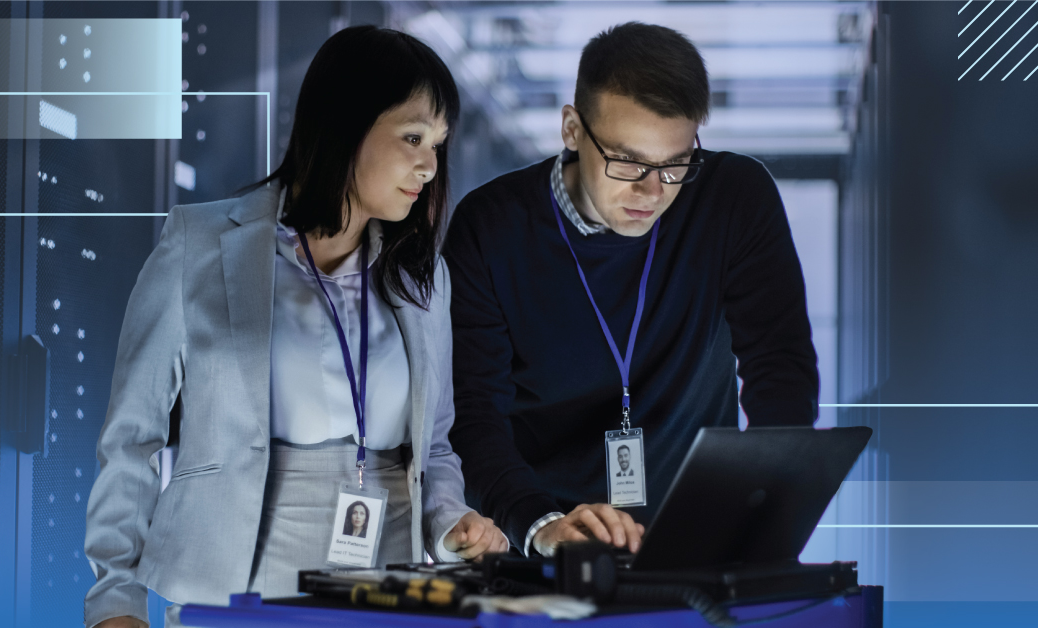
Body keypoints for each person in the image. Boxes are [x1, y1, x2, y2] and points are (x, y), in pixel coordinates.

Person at [85, 25, 507, 628]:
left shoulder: (423, 279)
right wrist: (115, 600)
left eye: (438, 145)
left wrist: (451, 524)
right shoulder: (200, 245)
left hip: (391, 593)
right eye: (413, 137)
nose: (429, 166)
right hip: (235, 588)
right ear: (346, 125)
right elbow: (132, 439)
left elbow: (434, 447)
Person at [443, 22, 818, 559]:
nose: (651, 191)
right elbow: (474, 415)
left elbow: (779, 367)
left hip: (697, 536)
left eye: (675, 164)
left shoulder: (732, 198)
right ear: (572, 130)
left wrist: (768, 510)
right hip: (549, 538)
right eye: (627, 161)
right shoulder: (492, 226)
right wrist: (541, 525)